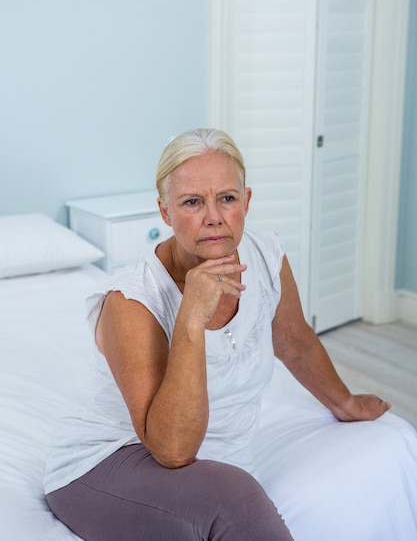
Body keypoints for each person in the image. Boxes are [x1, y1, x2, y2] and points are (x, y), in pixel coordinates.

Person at [44, 128, 417, 541]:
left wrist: (345, 402)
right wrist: (190, 318)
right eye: (191, 202)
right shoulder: (131, 303)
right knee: (235, 497)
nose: (214, 217)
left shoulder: (265, 254)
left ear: (247, 201)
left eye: (227, 198)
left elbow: (292, 339)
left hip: (216, 457)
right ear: (165, 211)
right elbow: (173, 451)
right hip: (108, 462)